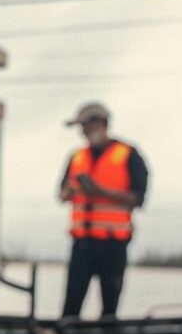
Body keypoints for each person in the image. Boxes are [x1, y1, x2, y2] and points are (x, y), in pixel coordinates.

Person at [57, 101, 149, 319]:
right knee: (70, 309)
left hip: (113, 245)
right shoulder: (76, 157)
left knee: (109, 311)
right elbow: (61, 194)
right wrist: (69, 191)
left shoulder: (129, 155)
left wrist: (101, 191)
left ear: (101, 124)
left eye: (86, 126)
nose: (83, 132)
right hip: (82, 245)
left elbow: (138, 198)